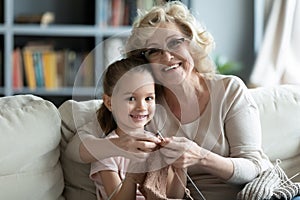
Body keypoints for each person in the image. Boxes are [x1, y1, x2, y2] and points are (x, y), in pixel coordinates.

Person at [64, 1, 299, 200]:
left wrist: (202, 157)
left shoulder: (229, 90)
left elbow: (254, 167)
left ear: (192, 43)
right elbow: (75, 149)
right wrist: (118, 145)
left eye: (175, 43)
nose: (167, 57)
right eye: (154, 50)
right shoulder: (144, 103)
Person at [89, 57, 186, 200]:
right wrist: (132, 173)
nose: (142, 107)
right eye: (131, 98)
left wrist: (181, 166)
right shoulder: (106, 152)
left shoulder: (156, 144)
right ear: (109, 103)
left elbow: (172, 196)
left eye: (148, 98)